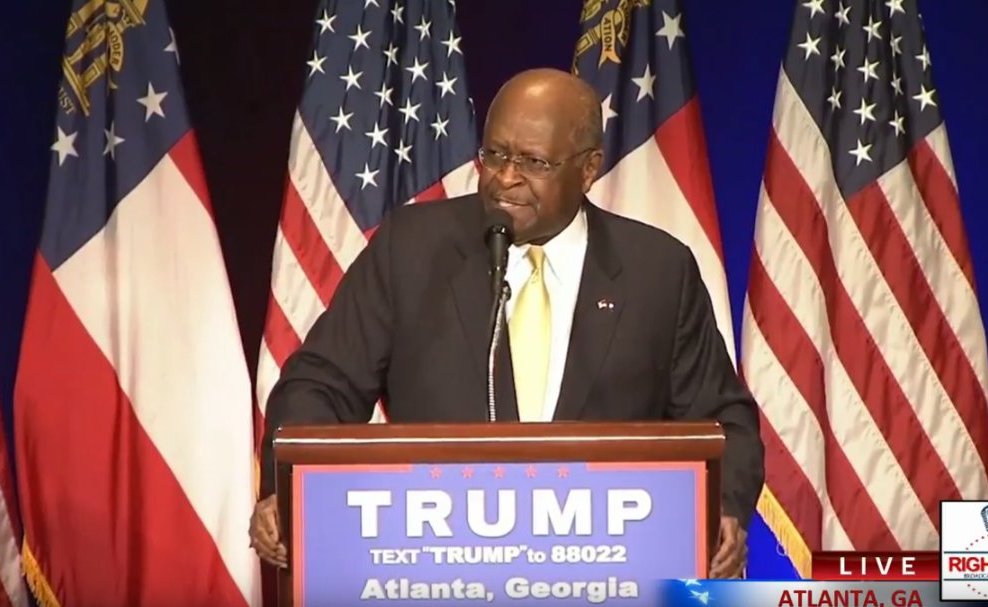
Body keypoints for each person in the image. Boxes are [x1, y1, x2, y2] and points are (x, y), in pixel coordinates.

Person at [249, 68, 764, 578]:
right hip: (437, 569)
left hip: (605, 571)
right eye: (495, 154)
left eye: (534, 162)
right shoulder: (412, 248)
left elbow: (723, 419)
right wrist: (291, 489)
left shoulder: (657, 271)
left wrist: (721, 507)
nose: (505, 177)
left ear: (588, 169)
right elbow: (319, 384)